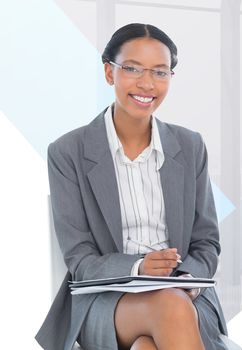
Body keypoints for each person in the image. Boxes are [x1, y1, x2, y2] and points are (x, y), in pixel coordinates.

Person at [35, 23, 228, 350]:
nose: (147, 83)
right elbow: (79, 259)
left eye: (160, 72)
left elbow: (206, 241)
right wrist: (138, 266)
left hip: (186, 295)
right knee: (170, 307)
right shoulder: (68, 152)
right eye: (133, 69)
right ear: (110, 73)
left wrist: (181, 280)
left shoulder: (190, 145)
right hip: (105, 301)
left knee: (147, 344)